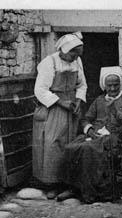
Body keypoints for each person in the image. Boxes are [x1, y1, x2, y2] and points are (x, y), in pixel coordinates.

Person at [62, 66, 122, 203]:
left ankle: (92, 192)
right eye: (109, 85)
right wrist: (90, 130)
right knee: (71, 147)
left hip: (116, 136)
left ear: (120, 84)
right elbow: (85, 119)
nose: (112, 89)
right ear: (104, 86)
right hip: (95, 135)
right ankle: (74, 188)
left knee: (88, 149)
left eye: (116, 85)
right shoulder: (99, 100)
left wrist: (116, 113)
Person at [32, 32, 87, 198]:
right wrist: (61, 102)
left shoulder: (77, 61)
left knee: (70, 143)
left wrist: (78, 100)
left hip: (71, 108)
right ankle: (51, 183)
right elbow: (40, 90)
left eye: (78, 54)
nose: (75, 57)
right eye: (73, 53)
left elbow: (82, 85)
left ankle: (67, 183)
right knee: (52, 144)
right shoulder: (49, 62)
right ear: (64, 50)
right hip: (53, 108)